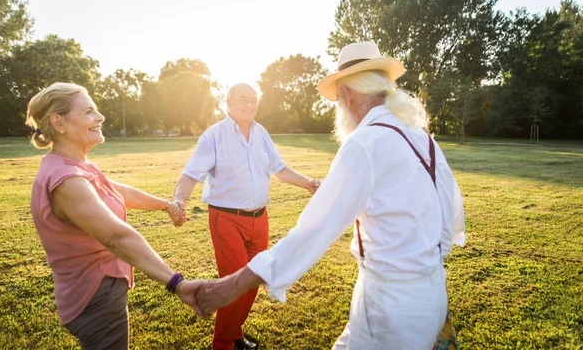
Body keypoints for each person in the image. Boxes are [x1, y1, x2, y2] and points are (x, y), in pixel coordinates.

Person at [195, 43, 466, 349]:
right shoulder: (422, 138)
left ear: (348, 95)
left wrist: (231, 285)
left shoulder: (365, 143)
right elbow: (453, 214)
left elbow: (313, 231)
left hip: (390, 305)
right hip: (431, 292)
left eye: (338, 99)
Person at [26, 82, 205, 350]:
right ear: (59, 122)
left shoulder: (75, 166)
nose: (100, 117)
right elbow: (116, 237)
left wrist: (167, 206)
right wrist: (176, 282)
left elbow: (121, 193)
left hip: (98, 292)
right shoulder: (67, 180)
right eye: (89, 111)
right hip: (94, 297)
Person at [173, 83, 321, 350]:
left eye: (254, 100)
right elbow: (191, 174)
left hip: (260, 219)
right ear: (228, 102)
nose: (250, 105)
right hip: (226, 219)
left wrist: (308, 183)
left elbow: (280, 168)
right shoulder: (213, 136)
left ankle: (234, 334)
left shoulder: (261, 133)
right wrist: (179, 201)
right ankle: (223, 344)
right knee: (233, 284)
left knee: (253, 280)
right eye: (244, 99)